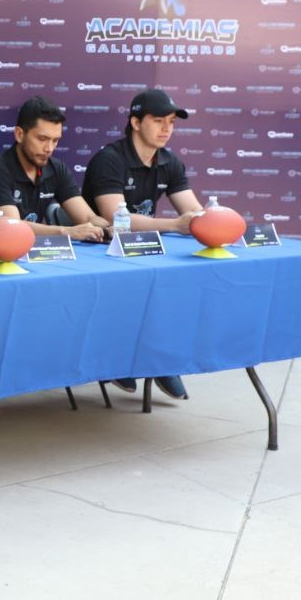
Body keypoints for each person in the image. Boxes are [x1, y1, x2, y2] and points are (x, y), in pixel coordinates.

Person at [81, 88, 204, 400]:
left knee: (178, 282)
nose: (167, 129)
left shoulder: (170, 162)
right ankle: (121, 358)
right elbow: (116, 220)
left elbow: (193, 212)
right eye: (158, 121)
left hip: (144, 251)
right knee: (136, 284)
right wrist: (175, 225)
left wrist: (210, 222)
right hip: (99, 253)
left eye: (172, 122)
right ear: (135, 122)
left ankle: (161, 361)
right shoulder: (109, 159)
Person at [0, 95, 109, 241]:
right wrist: (66, 232)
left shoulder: (57, 168)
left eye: (55, 140)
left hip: (26, 253)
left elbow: (88, 217)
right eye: (42, 139)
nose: (49, 148)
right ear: (19, 135)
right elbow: (12, 227)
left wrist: (107, 229)